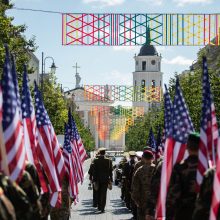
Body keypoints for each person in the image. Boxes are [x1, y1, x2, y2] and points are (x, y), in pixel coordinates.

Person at [166, 132, 200, 220]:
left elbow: (173, 196)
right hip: (204, 214)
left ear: (187, 146)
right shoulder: (209, 168)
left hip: (183, 213)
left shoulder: (180, 167)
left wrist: (169, 215)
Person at [131, 150, 155, 220]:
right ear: (152, 158)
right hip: (154, 202)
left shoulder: (139, 170)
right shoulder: (157, 169)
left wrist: (137, 201)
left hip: (142, 202)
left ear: (143, 158)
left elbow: (135, 188)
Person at [93, 147, 113, 213]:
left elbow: (94, 171)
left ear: (100, 153)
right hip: (105, 180)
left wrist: (94, 180)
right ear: (104, 153)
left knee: (98, 193)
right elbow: (110, 171)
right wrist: (111, 179)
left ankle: (99, 206)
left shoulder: (95, 160)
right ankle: (102, 208)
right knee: (104, 194)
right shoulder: (109, 160)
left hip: (98, 180)